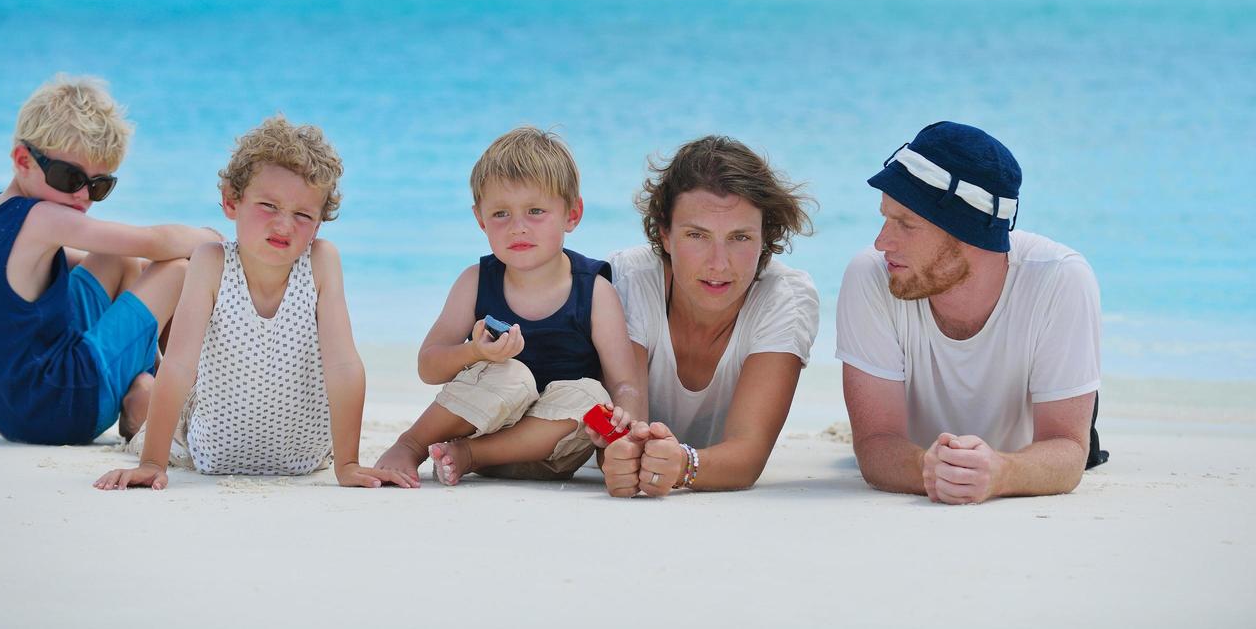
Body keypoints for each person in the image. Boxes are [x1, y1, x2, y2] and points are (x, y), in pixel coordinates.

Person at [96, 115, 416, 490]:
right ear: (232, 201)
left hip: (305, 456)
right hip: (210, 450)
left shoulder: (321, 263)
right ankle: (138, 391)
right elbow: (181, 365)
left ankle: (141, 387)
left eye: (302, 215)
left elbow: (343, 364)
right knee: (143, 415)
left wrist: (347, 464)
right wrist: (153, 462)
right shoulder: (210, 262)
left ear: (318, 224)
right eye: (269, 206)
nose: (284, 225)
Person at [836, 121, 1106, 506]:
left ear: (967, 236)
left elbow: (1067, 452)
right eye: (885, 217)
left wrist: (1002, 473)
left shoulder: (1060, 278)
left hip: (1026, 448)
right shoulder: (872, 275)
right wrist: (925, 469)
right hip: (921, 453)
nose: (882, 242)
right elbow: (876, 445)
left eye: (906, 225)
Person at [0, 74, 220, 445]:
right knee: (177, 271)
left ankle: (148, 382)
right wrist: (215, 241)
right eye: (68, 176)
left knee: (118, 261)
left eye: (98, 185)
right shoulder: (44, 217)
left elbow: (106, 260)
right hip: (64, 405)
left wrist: (143, 284)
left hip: (21, 410)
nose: (83, 196)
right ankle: (157, 398)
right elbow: (153, 241)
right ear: (22, 160)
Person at [374, 126, 641, 485]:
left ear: (572, 214)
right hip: (482, 425)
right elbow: (428, 366)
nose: (517, 227)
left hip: (551, 451)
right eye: (501, 214)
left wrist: (624, 430)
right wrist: (476, 354)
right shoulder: (475, 281)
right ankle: (411, 444)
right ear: (480, 219)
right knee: (513, 375)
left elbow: (624, 382)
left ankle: (469, 456)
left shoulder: (594, 289)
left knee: (593, 395)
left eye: (535, 211)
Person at [598, 136, 819, 496]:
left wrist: (683, 465)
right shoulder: (628, 280)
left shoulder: (784, 299)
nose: (718, 263)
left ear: (765, 237)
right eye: (697, 235)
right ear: (665, 234)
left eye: (740, 238)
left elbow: (747, 455)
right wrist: (622, 453)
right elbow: (625, 424)